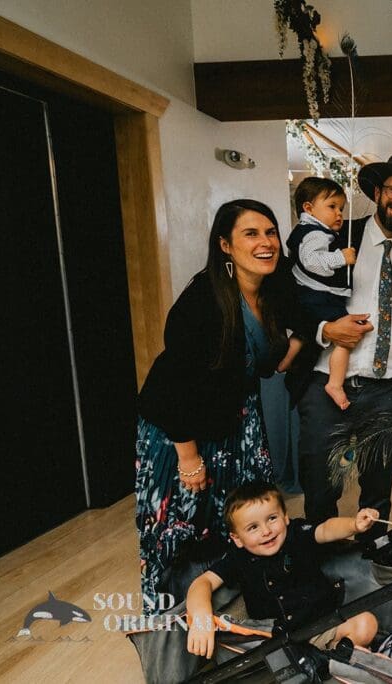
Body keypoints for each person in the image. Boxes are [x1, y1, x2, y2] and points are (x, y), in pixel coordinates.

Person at [136, 199, 309, 612]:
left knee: (238, 522)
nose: (266, 242)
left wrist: (297, 343)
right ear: (225, 246)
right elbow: (174, 384)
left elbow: (300, 323)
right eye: (251, 234)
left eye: (270, 233)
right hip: (182, 429)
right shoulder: (203, 301)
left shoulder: (271, 290)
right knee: (179, 528)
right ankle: (172, 629)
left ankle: (237, 618)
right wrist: (188, 456)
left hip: (238, 423)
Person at [292, 153, 392, 538]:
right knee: (321, 481)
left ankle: (374, 554)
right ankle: (321, 559)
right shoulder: (335, 238)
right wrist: (326, 329)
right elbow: (291, 296)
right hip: (326, 380)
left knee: (379, 484)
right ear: (378, 192)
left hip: (387, 388)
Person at [186, 481, 379, 659]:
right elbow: (204, 582)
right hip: (276, 640)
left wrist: (353, 524)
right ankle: (329, 658)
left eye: (272, 518)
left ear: (285, 517)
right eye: (253, 527)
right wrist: (201, 619)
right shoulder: (238, 557)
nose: (266, 531)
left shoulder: (296, 533)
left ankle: (330, 654)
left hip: (323, 624)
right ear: (237, 538)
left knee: (367, 624)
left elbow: (326, 529)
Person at [287, 177, 356, 410]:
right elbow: (311, 260)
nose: (339, 214)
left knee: (305, 330)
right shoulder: (316, 234)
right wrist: (341, 258)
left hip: (307, 293)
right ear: (308, 208)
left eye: (341, 208)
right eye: (332, 207)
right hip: (318, 293)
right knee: (346, 336)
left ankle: (285, 359)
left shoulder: (307, 230)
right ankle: (335, 384)